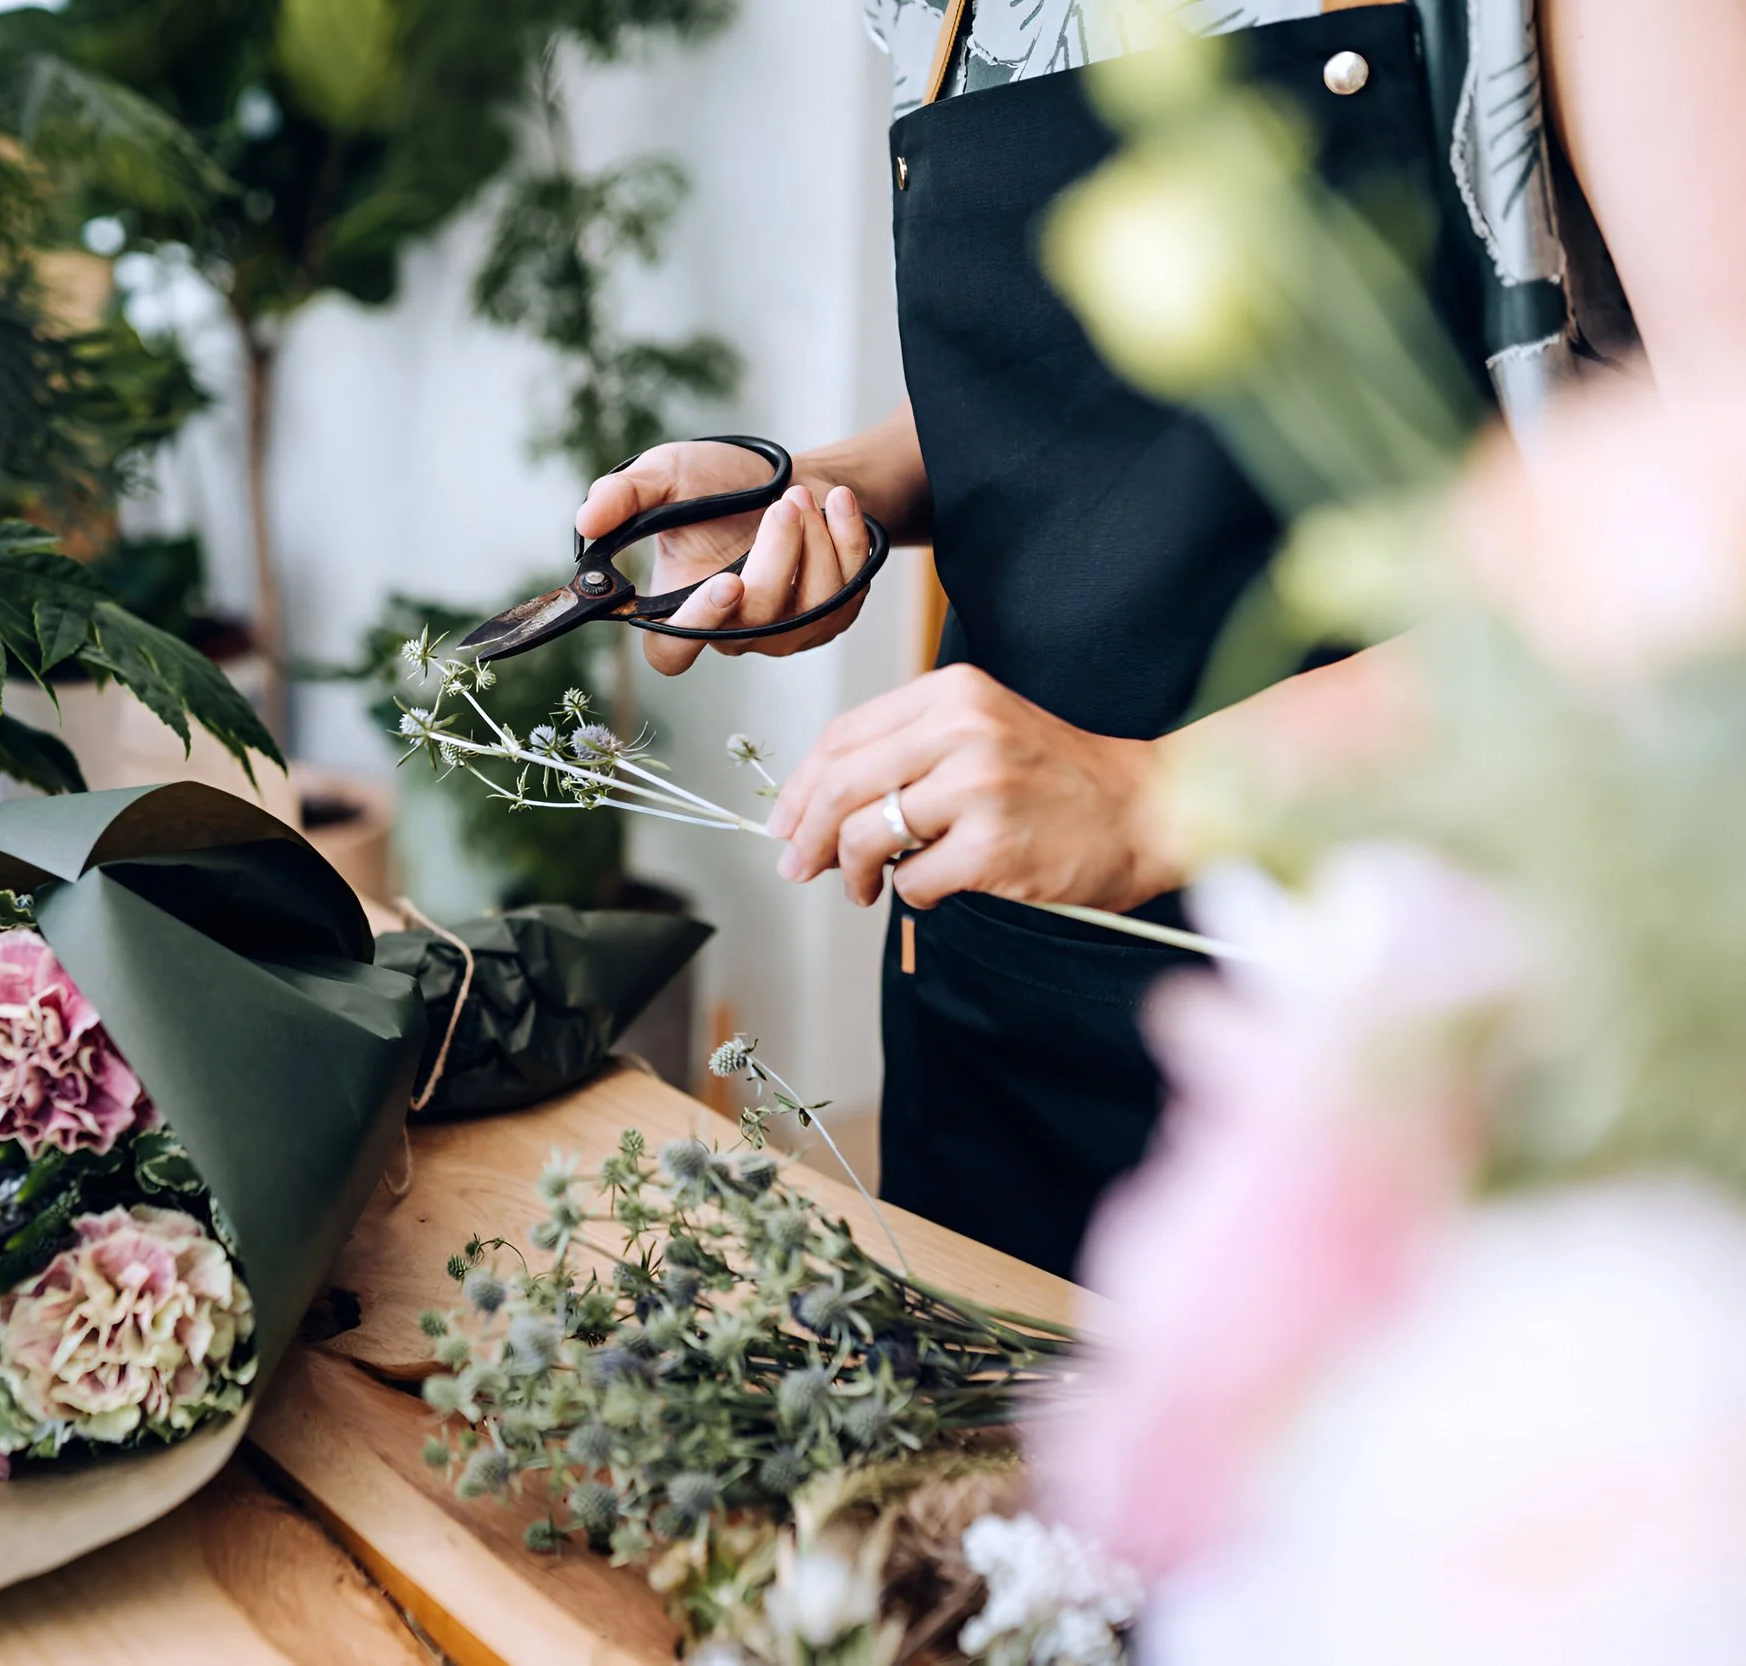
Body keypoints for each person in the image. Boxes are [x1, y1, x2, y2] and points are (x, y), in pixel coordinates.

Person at [572, 0, 1746, 1277]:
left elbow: (1712, 530)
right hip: (1001, 1006)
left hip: (1425, 1038)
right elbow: (1071, 388)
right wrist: (822, 490)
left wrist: (1154, 797)